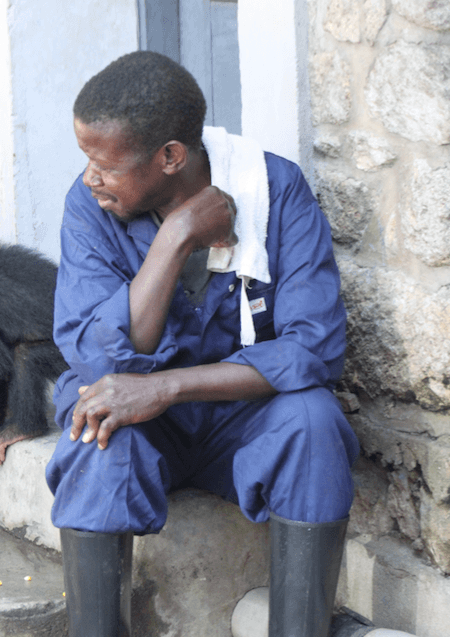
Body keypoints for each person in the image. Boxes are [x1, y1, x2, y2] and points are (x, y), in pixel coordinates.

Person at [46, 51, 359, 637]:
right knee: (97, 432)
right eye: (86, 159)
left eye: (105, 163)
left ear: (170, 157)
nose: (91, 176)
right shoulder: (90, 206)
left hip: (240, 420)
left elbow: (313, 348)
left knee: (314, 422)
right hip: (145, 428)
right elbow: (99, 355)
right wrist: (175, 237)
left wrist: (167, 387)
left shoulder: (274, 191)